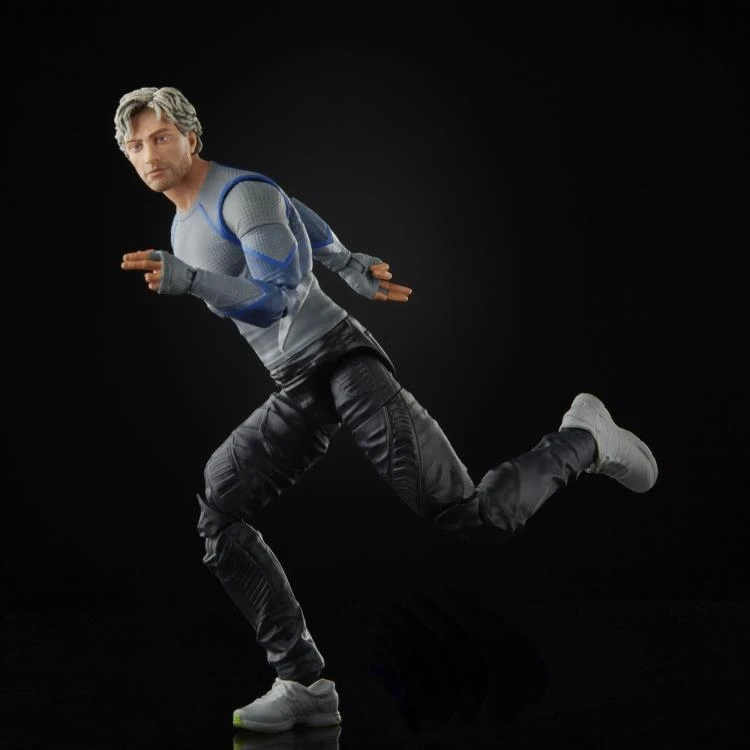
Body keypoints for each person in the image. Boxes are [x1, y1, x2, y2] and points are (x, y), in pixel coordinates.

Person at [115, 86, 658, 734]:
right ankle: (304, 684)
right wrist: (344, 259)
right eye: (136, 145)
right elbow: (295, 210)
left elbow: (277, 297)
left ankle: (583, 438)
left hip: (342, 361)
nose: (150, 154)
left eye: (161, 138)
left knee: (471, 514)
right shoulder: (184, 221)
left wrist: (192, 280)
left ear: (190, 137)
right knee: (218, 511)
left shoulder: (237, 194)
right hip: (296, 383)